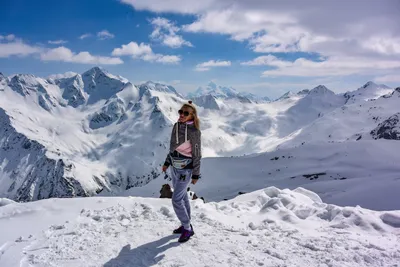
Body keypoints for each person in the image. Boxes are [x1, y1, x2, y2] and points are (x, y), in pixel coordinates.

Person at [162, 100, 202, 243]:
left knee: (176, 199)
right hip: (174, 167)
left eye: (186, 113)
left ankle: (187, 228)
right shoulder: (177, 126)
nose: (182, 115)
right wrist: (167, 162)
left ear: (192, 116)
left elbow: (197, 153)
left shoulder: (194, 132)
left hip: (186, 169)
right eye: (181, 112)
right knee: (183, 196)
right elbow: (173, 148)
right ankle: (186, 224)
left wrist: (196, 173)